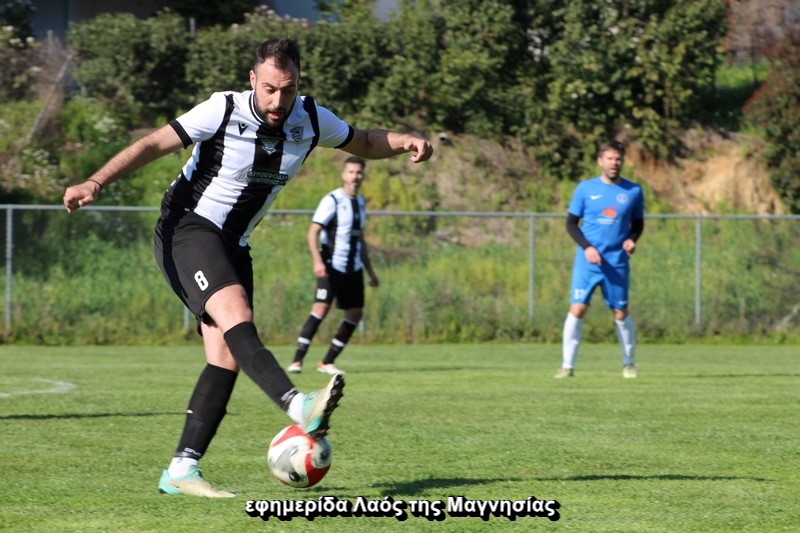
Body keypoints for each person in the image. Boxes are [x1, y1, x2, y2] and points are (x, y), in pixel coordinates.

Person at [62, 37, 433, 498]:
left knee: (225, 356)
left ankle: (181, 469)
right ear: (253, 80)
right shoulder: (221, 110)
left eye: (288, 89)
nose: (278, 101)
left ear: (298, 84)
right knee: (237, 314)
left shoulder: (310, 118)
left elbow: (366, 141)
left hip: (234, 244)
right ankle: (298, 405)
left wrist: (404, 141)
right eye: (270, 89)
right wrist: (96, 181)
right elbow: (155, 142)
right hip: (187, 228)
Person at [555, 140, 644, 379]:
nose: (614, 163)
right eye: (610, 158)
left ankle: (629, 363)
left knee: (620, 313)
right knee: (577, 308)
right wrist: (587, 247)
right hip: (588, 261)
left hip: (617, 262)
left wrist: (632, 239)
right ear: (600, 161)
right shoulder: (585, 189)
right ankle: (567, 366)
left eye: (618, 159)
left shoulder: (633, 191)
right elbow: (571, 224)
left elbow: (638, 223)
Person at [288, 156, 378, 376]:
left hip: (353, 268)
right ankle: (297, 361)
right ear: (343, 174)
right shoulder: (333, 200)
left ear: (363, 175)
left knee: (354, 314)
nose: (355, 176)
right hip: (331, 266)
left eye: (359, 172)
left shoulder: (361, 202)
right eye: (351, 172)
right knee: (320, 308)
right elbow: (313, 232)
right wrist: (318, 261)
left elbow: (360, 239)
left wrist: (370, 271)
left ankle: (327, 362)